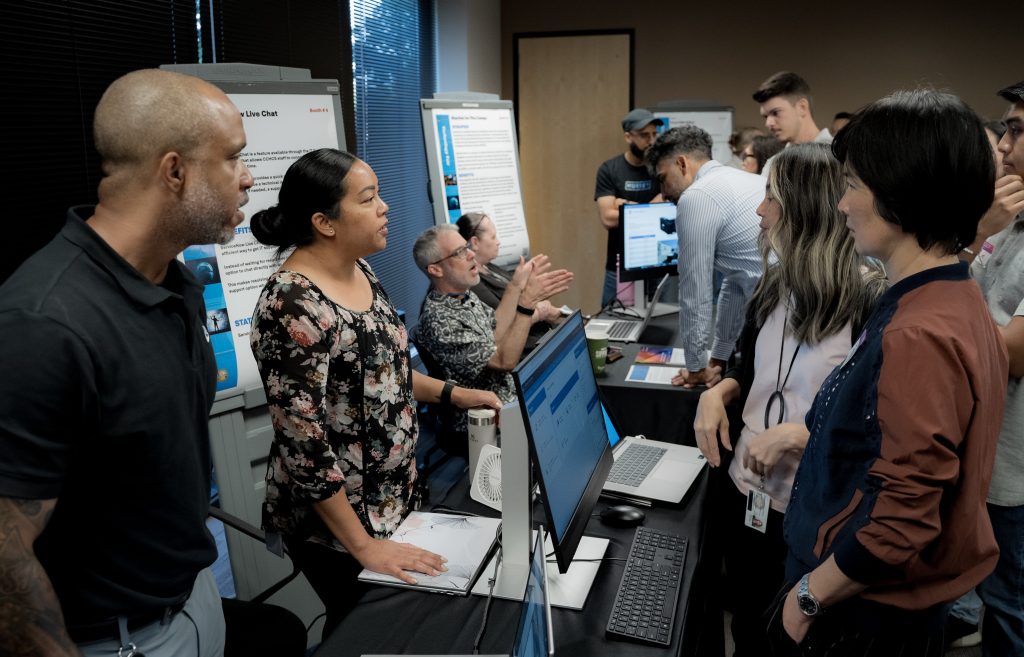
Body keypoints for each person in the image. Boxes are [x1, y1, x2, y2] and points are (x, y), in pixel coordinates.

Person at [0, 68, 254, 657]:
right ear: (174, 171)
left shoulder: (176, 284)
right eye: (233, 158)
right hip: (119, 640)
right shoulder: (45, 323)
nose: (246, 178)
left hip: (193, 599)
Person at [770, 89, 1008, 657]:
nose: (841, 205)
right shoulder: (946, 294)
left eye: (852, 185)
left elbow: (903, 517)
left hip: (861, 614)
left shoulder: (918, 332)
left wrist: (806, 599)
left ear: (902, 196)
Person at [248, 149, 501, 637]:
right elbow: (303, 446)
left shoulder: (361, 270)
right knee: (364, 632)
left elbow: (386, 373)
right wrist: (363, 547)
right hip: (339, 528)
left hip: (394, 500)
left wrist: (456, 394)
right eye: (368, 199)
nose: (385, 207)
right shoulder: (292, 303)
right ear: (324, 222)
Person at [694, 143, 885, 656]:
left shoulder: (869, 301)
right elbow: (750, 369)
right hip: (746, 492)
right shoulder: (773, 285)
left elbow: (879, 428)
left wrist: (802, 435)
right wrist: (720, 390)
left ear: (805, 208)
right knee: (748, 630)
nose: (759, 211)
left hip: (812, 513)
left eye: (771, 198)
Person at [412, 224, 572, 432]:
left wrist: (516, 285)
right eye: (459, 252)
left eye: (467, 247)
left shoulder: (463, 296)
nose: (471, 254)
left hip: (510, 396)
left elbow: (496, 328)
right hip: (486, 420)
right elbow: (503, 361)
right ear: (435, 269)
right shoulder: (439, 319)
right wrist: (526, 305)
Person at [968, 81, 1024, 657]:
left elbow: (1012, 351)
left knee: (1011, 611)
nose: (1004, 145)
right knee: (994, 600)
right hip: (986, 452)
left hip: (1017, 470)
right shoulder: (1007, 219)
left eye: (1017, 130)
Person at [644, 125, 763, 388]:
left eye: (663, 178)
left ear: (681, 163)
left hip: (779, 316)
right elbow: (736, 281)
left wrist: (696, 368)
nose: (663, 193)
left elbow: (695, 291)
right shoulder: (747, 180)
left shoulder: (697, 196)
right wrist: (717, 358)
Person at [456, 211, 564, 352]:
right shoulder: (473, 283)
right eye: (493, 237)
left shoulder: (489, 266)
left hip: (541, 334)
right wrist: (540, 312)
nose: (498, 241)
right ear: (475, 242)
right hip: (523, 349)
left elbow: (523, 296)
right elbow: (502, 324)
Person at [595, 108, 664, 307]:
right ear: (628, 137)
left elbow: (667, 209)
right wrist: (649, 209)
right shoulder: (609, 169)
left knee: (660, 320)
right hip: (619, 265)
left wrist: (624, 205)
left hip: (657, 262)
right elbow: (608, 219)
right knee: (613, 319)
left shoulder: (661, 167)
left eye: (654, 134)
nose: (651, 141)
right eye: (644, 135)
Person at [753, 71, 833, 174]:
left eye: (775, 113)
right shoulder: (773, 165)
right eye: (765, 117)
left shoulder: (841, 156)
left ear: (802, 107)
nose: (768, 123)